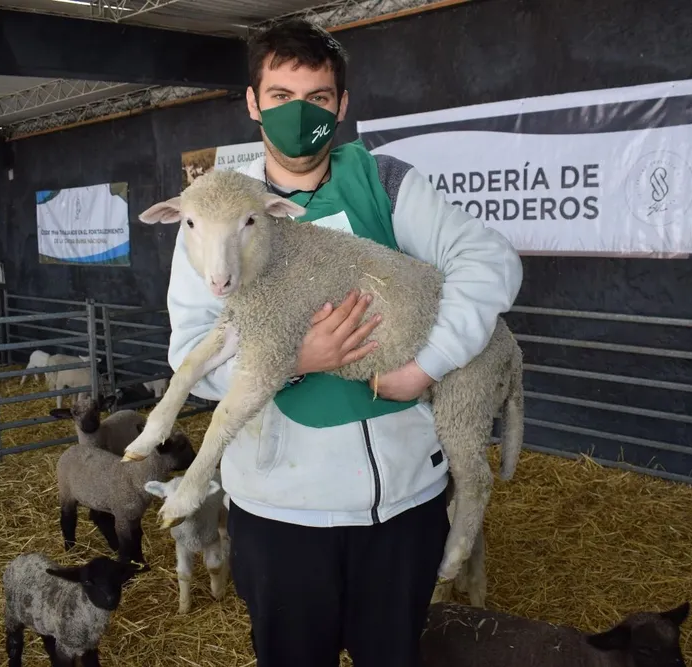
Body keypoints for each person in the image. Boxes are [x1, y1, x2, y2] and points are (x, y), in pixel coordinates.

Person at [164, 18, 523, 667]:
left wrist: (427, 365)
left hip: (405, 508)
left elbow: (490, 262)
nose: (299, 114)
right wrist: (298, 360)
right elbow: (191, 344)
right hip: (281, 515)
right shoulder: (214, 209)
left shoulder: (384, 182)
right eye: (279, 97)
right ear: (252, 102)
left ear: (342, 105)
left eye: (319, 99)